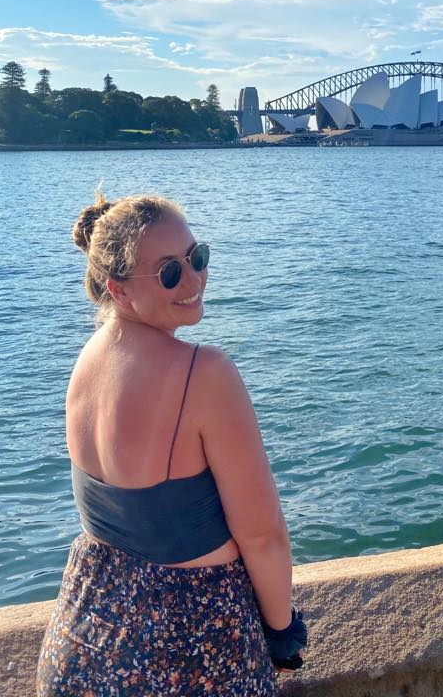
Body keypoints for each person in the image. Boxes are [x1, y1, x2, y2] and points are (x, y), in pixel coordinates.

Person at [37, 192, 307, 695]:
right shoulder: (205, 375)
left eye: (196, 257)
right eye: (168, 272)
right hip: (188, 653)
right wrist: (282, 634)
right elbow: (263, 535)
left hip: (82, 644)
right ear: (117, 290)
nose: (194, 279)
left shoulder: (86, 364)